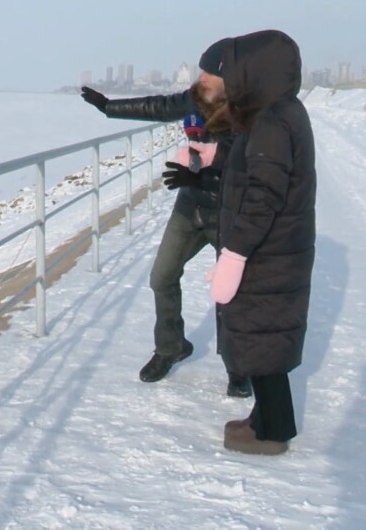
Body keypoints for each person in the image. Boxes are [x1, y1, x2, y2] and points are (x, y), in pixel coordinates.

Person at [79, 40, 251, 398]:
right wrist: (109, 107)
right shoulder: (196, 98)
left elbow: (245, 158)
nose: (202, 77)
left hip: (228, 209)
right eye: (201, 69)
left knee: (230, 293)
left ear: (229, 79)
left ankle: (238, 365)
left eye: (210, 72)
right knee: (162, 276)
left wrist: (208, 170)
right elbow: (159, 106)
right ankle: (171, 347)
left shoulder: (248, 111)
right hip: (191, 206)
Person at [188, 30, 316, 455]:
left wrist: (236, 254)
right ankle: (264, 418)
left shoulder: (274, 120)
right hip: (275, 250)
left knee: (265, 342)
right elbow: (255, 167)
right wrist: (214, 158)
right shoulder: (276, 112)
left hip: (268, 252)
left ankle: (274, 433)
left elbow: (264, 194)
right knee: (264, 340)